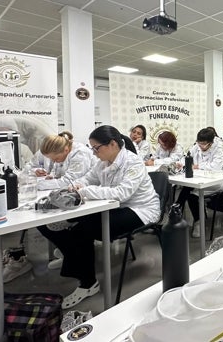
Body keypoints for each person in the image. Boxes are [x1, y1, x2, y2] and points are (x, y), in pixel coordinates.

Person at [37, 125, 159, 309]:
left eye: (96, 148)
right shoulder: (103, 162)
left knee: (83, 228)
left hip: (139, 210)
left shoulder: (132, 162)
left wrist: (86, 191)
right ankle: (73, 258)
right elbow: (88, 178)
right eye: (92, 148)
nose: (93, 153)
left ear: (112, 144)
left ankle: (87, 283)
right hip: (115, 207)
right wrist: (76, 186)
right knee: (59, 225)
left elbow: (122, 193)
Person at [176, 127, 223, 238]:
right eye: (199, 143)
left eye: (204, 144)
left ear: (211, 143)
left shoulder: (218, 150)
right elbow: (187, 157)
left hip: (215, 182)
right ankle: (196, 219)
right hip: (199, 179)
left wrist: (197, 166)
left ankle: (195, 220)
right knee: (189, 189)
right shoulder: (196, 147)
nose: (201, 146)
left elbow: (215, 167)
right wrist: (180, 163)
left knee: (190, 193)